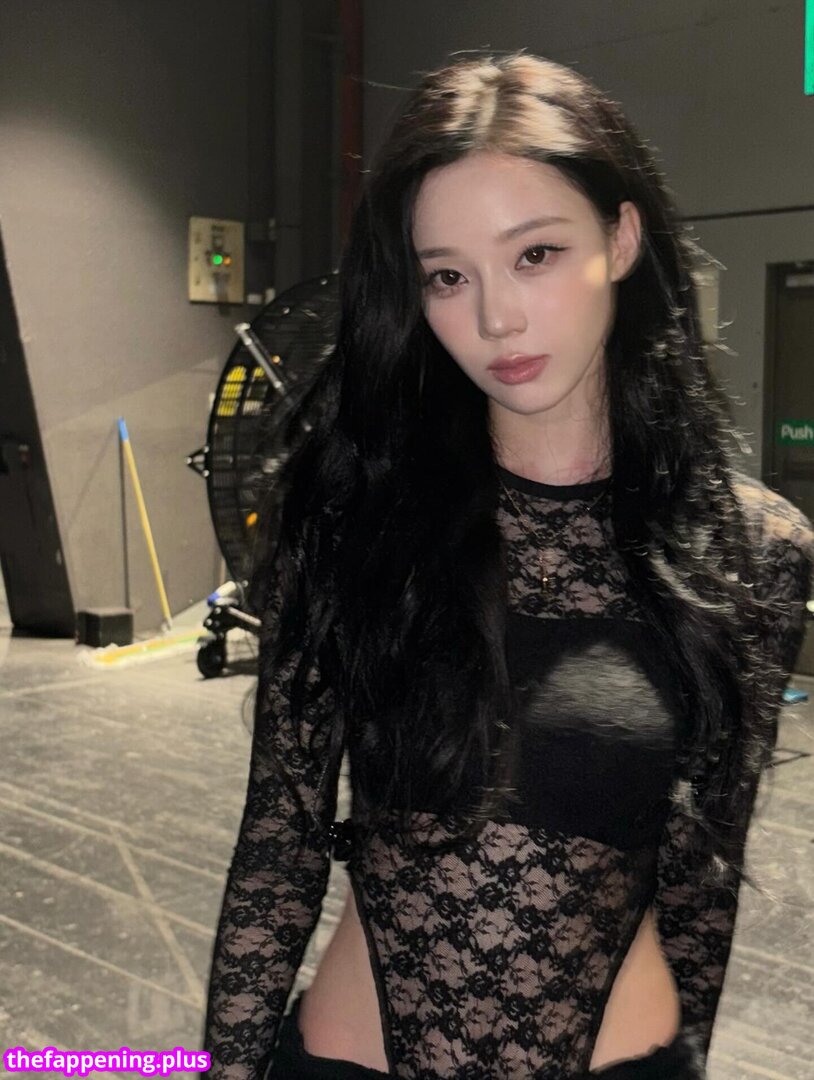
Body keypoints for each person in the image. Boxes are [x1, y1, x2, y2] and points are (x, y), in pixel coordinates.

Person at [202, 52, 814, 1080]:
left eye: (535, 254)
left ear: (621, 239)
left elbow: (700, 881)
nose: (495, 318)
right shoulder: (357, 523)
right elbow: (280, 846)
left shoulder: (752, 551)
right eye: (447, 275)